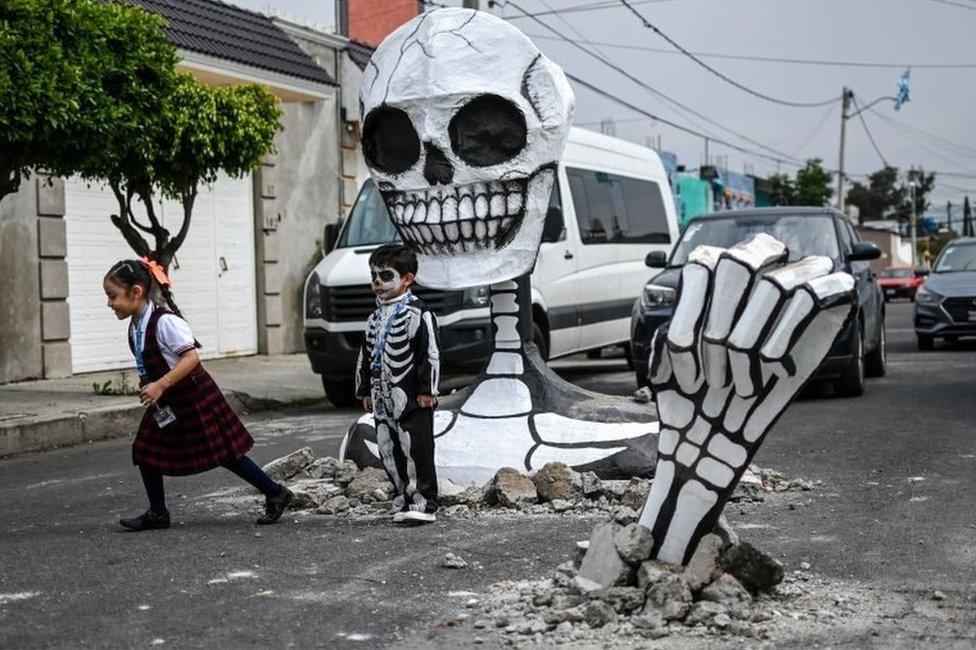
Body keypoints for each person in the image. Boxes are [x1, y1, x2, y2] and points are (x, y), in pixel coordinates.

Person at [103, 258, 293, 531]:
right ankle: (158, 513)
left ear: (136, 292)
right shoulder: (135, 326)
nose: (109, 303)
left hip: (192, 396)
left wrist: (161, 384)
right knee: (145, 450)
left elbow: (191, 358)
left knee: (226, 453)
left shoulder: (166, 322)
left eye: (113, 296)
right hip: (167, 401)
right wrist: (149, 385)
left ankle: (275, 492)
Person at [356, 244, 441, 524]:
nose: (378, 283)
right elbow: (365, 355)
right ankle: (402, 495)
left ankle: (425, 500)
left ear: (408, 279)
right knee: (388, 444)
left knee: (415, 445)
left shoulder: (418, 313)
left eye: (386, 276)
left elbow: (429, 352)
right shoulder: (374, 318)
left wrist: (428, 389)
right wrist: (365, 388)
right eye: (374, 277)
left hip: (411, 394)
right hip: (382, 394)